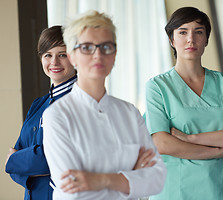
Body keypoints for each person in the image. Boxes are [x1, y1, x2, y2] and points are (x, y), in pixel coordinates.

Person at [42, 11, 166, 200]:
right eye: (86, 47)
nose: (98, 54)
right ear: (72, 56)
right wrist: (132, 177)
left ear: (114, 54)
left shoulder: (129, 113)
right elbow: (74, 193)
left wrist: (101, 180)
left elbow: (157, 179)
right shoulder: (57, 116)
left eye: (106, 47)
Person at [145, 7, 223, 200]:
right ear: (172, 40)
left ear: (206, 39)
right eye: (183, 32)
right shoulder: (158, 87)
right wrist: (217, 151)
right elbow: (162, 143)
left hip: (222, 188)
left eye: (198, 32)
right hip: (176, 190)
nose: (191, 39)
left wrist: (190, 139)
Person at [5, 26, 77, 200]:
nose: (54, 62)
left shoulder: (80, 102)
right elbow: (15, 163)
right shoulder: (38, 104)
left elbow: (57, 157)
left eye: (62, 54)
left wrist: (16, 160)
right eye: (47, 55)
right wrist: (20, 163)